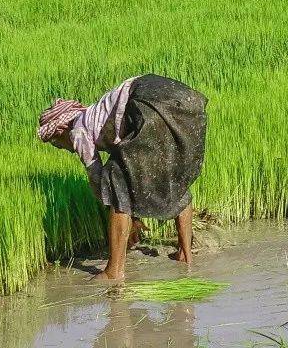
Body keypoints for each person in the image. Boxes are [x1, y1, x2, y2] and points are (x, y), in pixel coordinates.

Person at [37, 75, 207, 282]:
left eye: (57, 143)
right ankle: (185, 253)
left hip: (147, 101)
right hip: (185, 101)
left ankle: (114, 271)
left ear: (61, 128)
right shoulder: (97, 114)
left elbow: (97, 176)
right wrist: (134, 216)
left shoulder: (78, 129)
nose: (63, 148)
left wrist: (123, 212)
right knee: (173, 177)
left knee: (115, 180)